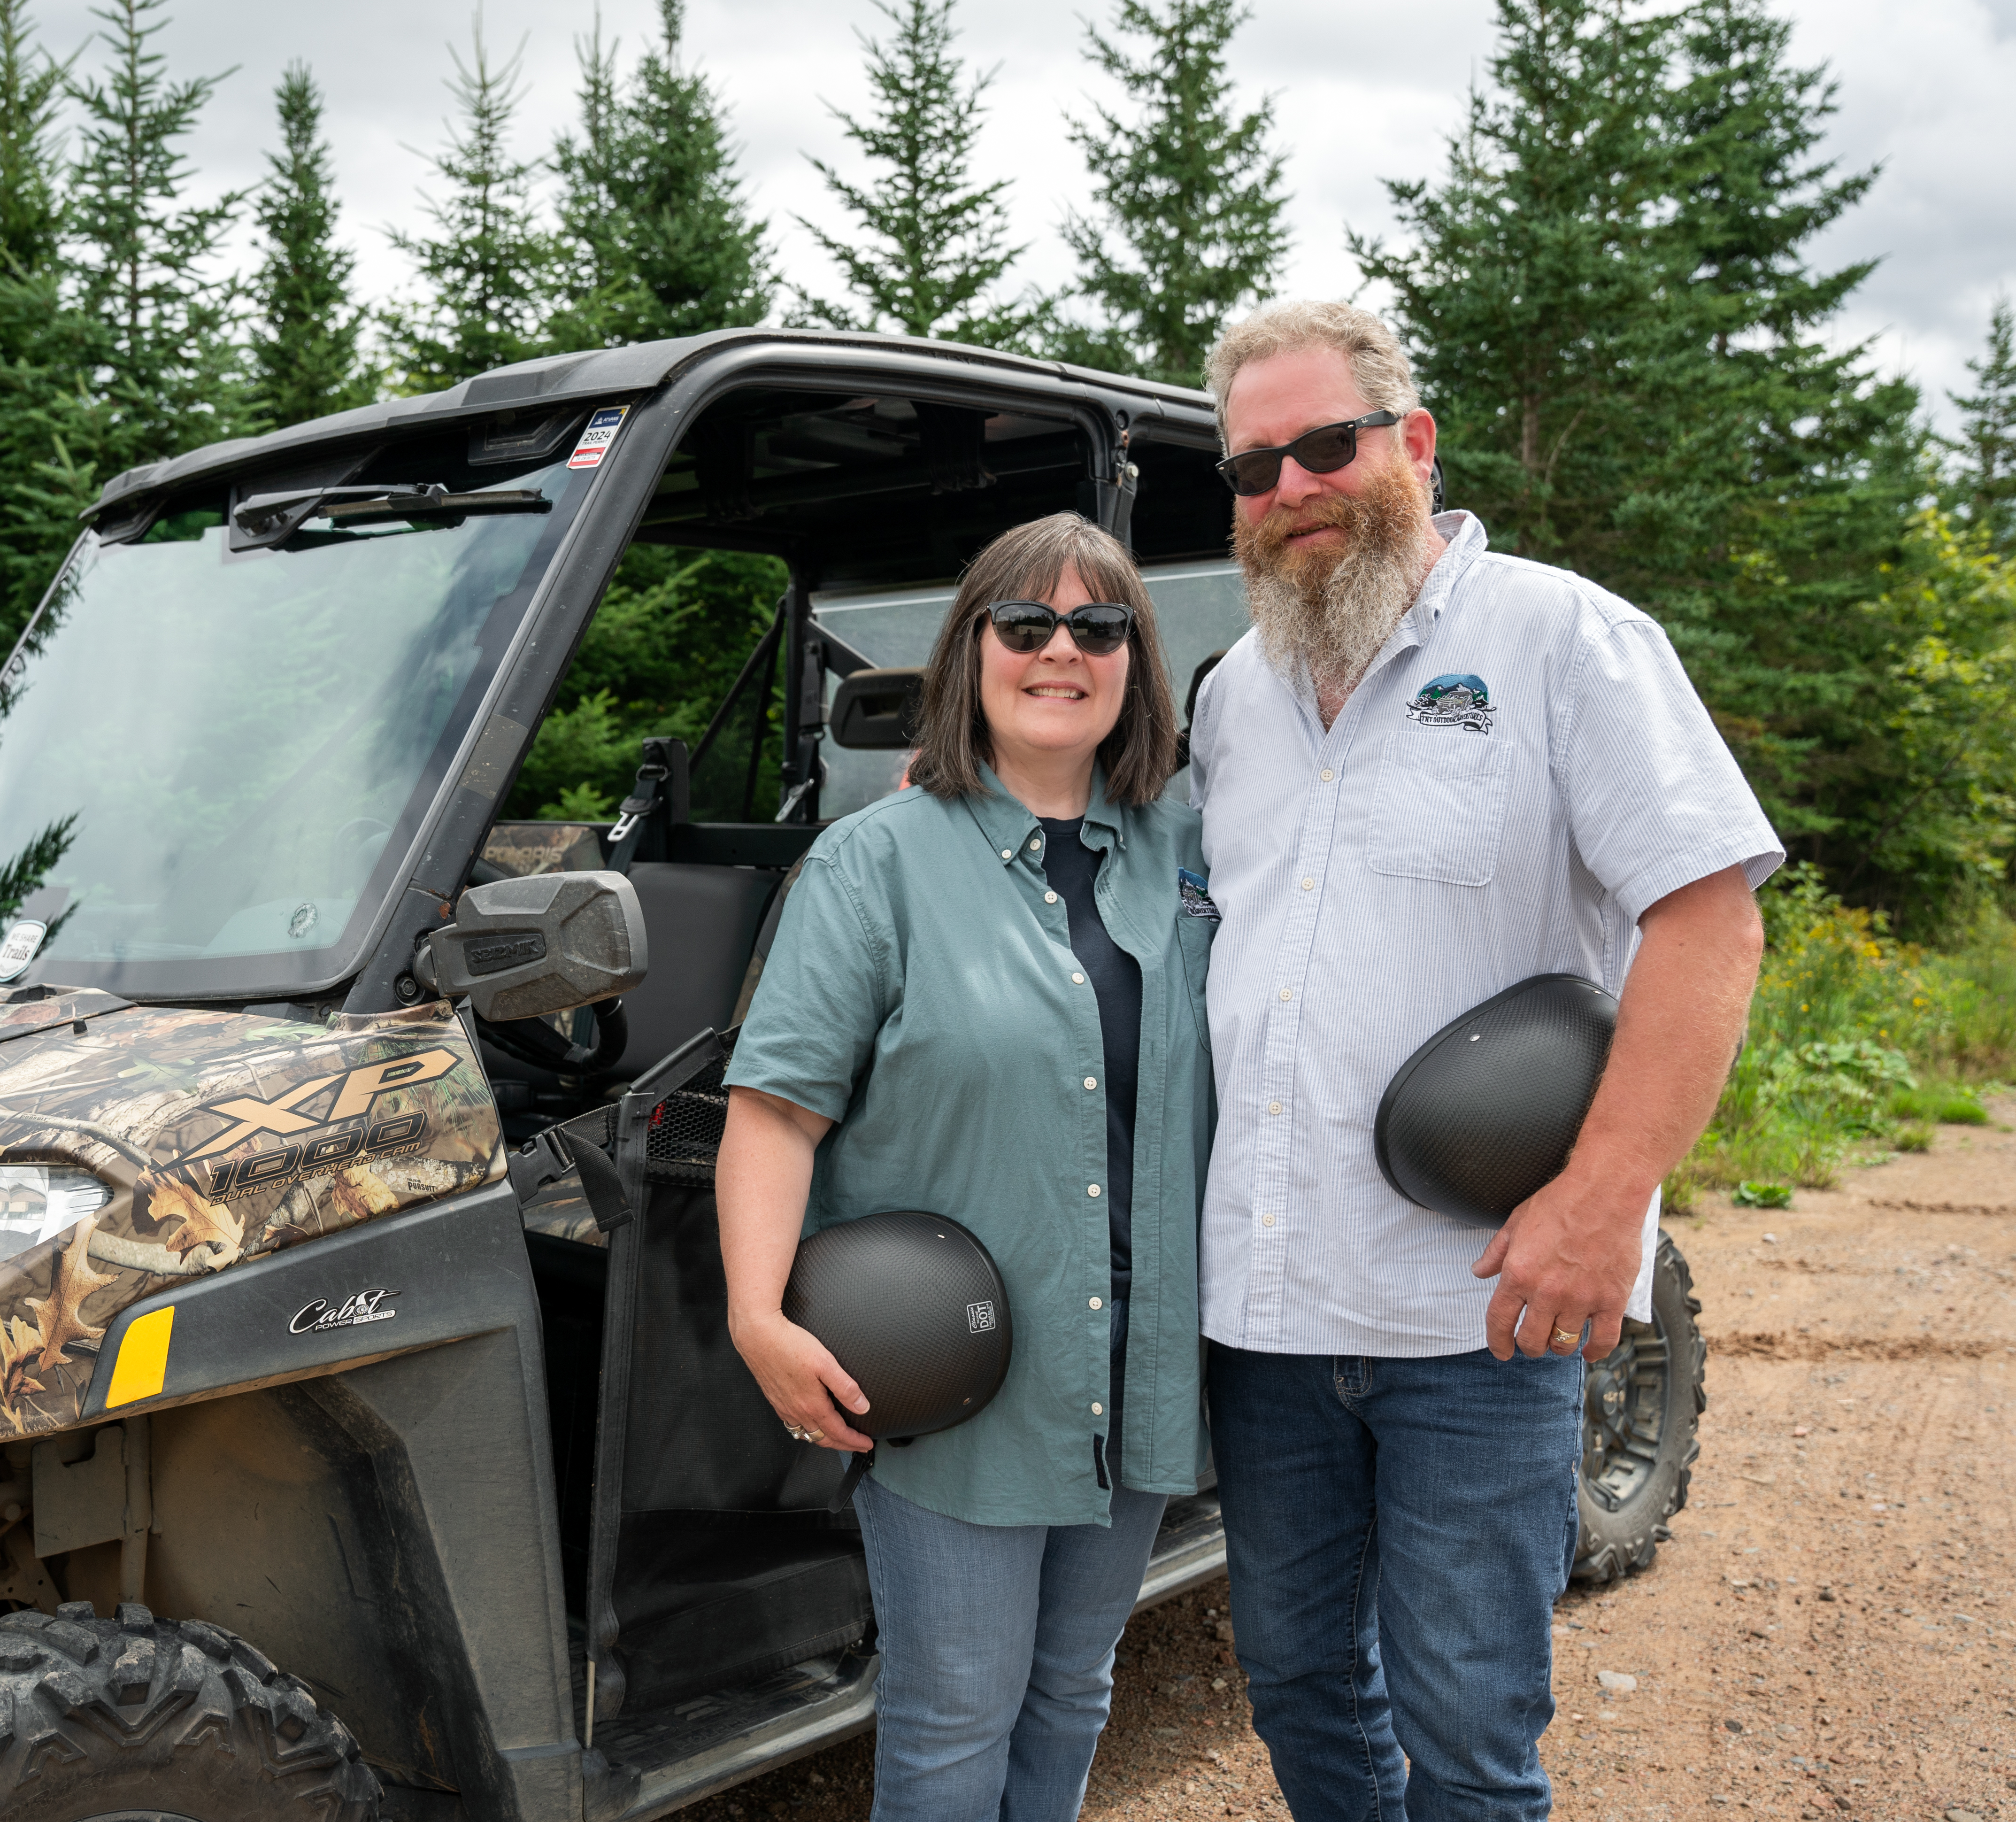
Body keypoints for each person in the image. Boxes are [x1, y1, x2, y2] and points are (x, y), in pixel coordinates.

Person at [1187, 299, 1777, 1821]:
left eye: (1327, 445)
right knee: (1301, 1685)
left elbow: (1707, 925)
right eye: (1253, 468)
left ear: (1414, 444)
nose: (1292, 489)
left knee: (1466, 1729)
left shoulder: (1562, 639)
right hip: (1264, 1315)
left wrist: (1606, 1201)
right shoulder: (1227, 697)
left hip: (1479, 1313)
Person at [716, 512, 1217, 1822]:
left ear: (1134, 662)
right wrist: (756, 1317)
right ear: (970, 652)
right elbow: (775, 1113)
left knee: (1072, 1692)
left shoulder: (1191, 847)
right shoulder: (873, 862)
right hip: (962, 1376)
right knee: (953, 1719)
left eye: (1099, 627)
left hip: (1137, 1367)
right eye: (1027, 624)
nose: (1062, 651)